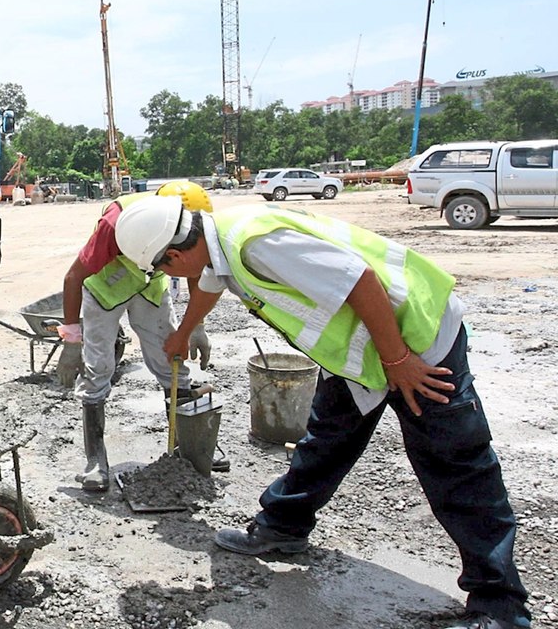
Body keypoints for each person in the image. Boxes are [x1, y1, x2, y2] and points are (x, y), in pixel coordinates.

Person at [113, 196, 530, 629]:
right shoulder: (219, 239)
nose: (166, 275)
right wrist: (184, 331)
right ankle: (283, 526)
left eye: (162, 268)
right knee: (326, 440)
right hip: (363, 354)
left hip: (413, 344)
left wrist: (397, 361)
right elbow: (210, 283)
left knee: (456, 465)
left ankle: (500, 607)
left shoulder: (256, 246)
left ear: (176, 255)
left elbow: (360, 282)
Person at [56, 180, 224, 492]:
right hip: (107, 288)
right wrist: (71, 340)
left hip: (150, 287)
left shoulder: (187, 223)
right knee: (98, 369)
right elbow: (73, 276)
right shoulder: (116, 223)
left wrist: (196, 326)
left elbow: (194, 267)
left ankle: (187, 450)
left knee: (171, 362)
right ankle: (96, 460)